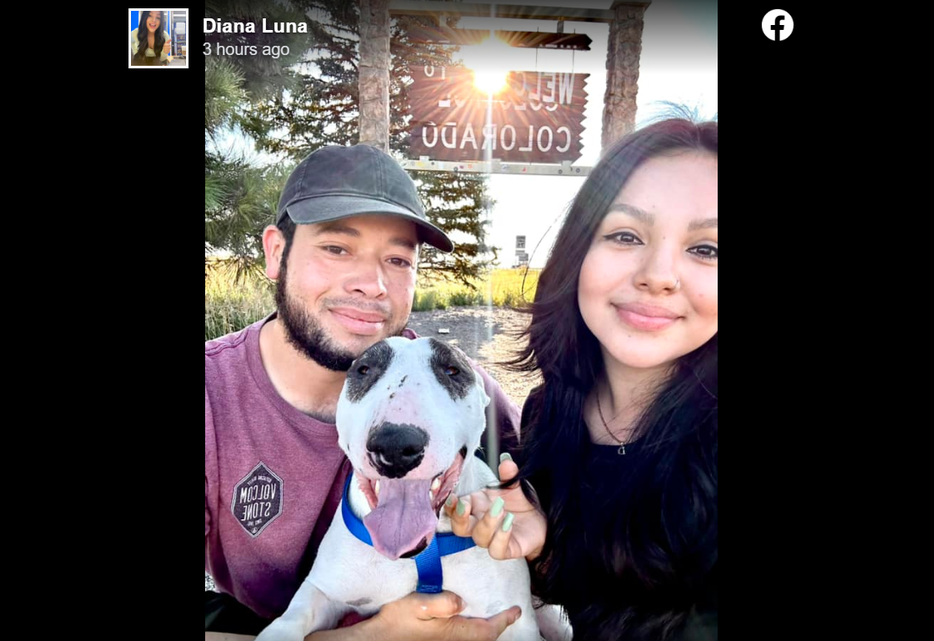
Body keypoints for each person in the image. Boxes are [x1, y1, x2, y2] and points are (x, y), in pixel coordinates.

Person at [205, 144, 525, 640]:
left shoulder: (464, 388)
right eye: (337, 248)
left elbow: (551, 519)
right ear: (276, 252)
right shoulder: (211, 397)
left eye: (398, 259)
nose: (372, 284)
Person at [448, 119, 719, 640]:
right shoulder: (550, 412)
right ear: (578, 252)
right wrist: (545, 550)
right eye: (625, 235)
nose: (658, 274)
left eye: (707, 249)